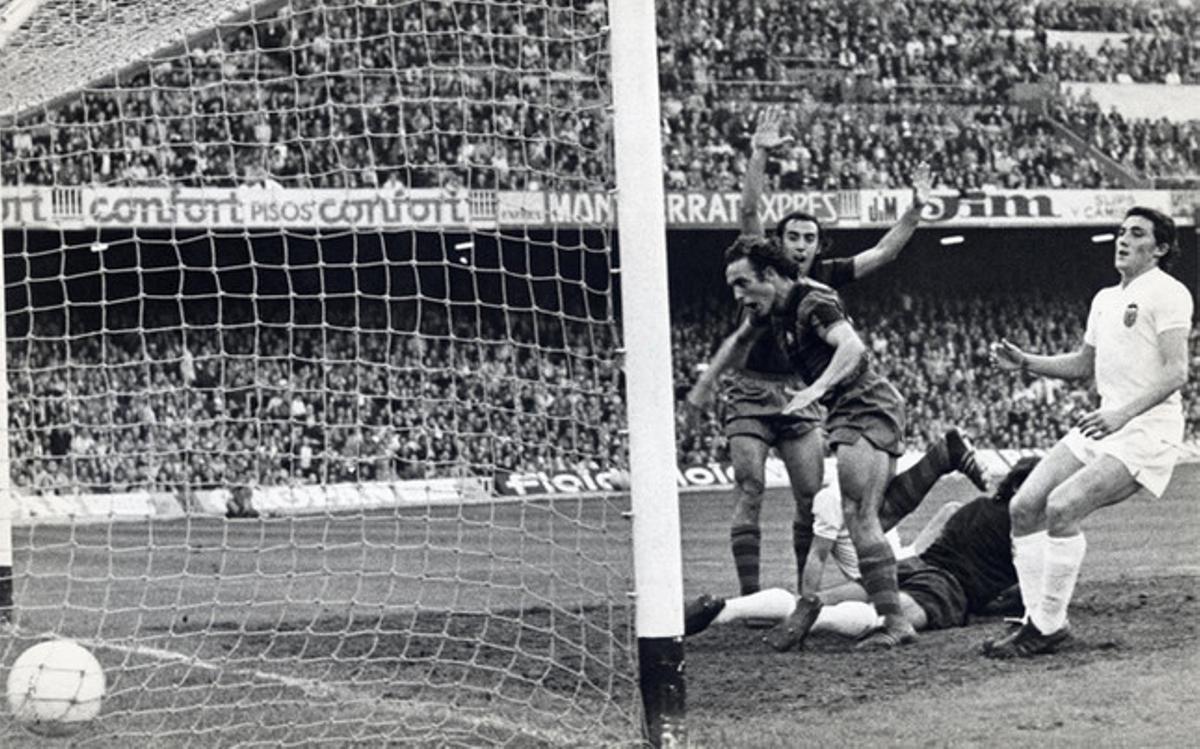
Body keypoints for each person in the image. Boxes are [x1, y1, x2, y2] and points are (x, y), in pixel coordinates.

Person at [685, 107, 965, 610]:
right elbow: (748, 220)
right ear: (778, 245)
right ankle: (751, 599)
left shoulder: (822, 287)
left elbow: (883, 253)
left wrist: (915, 209)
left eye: (809, 238)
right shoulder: (762, 279)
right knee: (750, 487)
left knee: (812, 503)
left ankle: (802, 597)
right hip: (755, 389)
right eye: (791, 236)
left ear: (818, 246)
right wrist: (760, 154)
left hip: (807, 396)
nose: (799, 245)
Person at [981, 206, 1191, 658]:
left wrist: (1122, 415)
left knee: (1062, 506)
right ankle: (1038, 620)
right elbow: (1082, 364)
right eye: (1121, 232)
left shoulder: (1169, 293)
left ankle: (1047, 628)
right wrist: (1027, 362)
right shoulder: (1104, 299)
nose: (1123, 239)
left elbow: (1176, 373)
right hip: (1103, 425)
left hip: (1146, 430)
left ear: (1160, 248)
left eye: (1137, 234)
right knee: (1024, 506)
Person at [719, 238, 917, 650]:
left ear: (769, 276)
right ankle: (894, 619)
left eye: (742, 283)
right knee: (862, 514)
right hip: (853, 410)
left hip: (865, 405)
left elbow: (852, 346)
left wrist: (818, 388)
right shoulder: (781, 313)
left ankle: (895, 622)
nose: (738, 295)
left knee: (859, 514)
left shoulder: (812, 302)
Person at [685, 458, 1040, 642]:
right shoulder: (1025, 528)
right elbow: (1026, 591)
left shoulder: (973, 507)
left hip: (908, 565)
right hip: (946, 590)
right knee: (887, 618)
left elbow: (947, 521)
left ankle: (723, 610)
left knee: (816, 597)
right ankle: (815, 623)